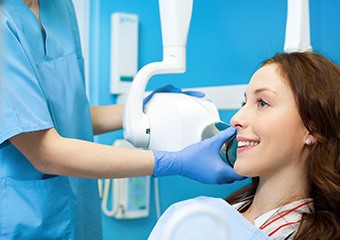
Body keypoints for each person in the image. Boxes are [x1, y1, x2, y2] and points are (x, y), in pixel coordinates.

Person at [0, 0, 243, 239]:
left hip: (79, 211)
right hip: (30, 220)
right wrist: (171, 162)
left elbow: (70, 116)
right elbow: (45, 150)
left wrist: (141, 108)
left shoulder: (59, 7)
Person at [148, 52, 340, 240]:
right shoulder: (191, 218)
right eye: (244, 102)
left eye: (262, 103)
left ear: (312, 128)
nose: (235, 119)